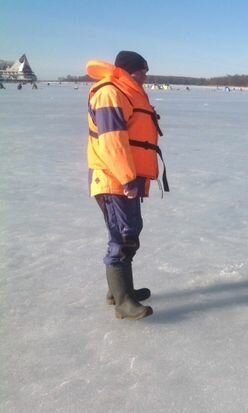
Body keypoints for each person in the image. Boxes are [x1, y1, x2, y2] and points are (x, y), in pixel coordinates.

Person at [86, 51, 168, 320]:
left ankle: (121, 290)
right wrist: (126, 178)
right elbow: (112, 141)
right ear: (130, 70)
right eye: (142, 71)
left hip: (123, 177)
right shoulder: (110, 92)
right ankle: (122, 302)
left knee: (130, 231)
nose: (145, 76)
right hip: (113, 178)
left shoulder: (126, 91)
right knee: (122, 234)